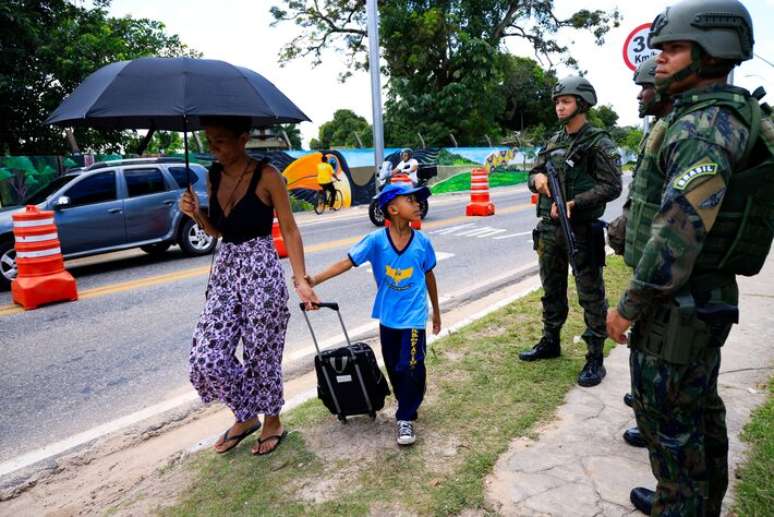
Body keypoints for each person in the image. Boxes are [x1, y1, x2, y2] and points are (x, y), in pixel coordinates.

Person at [605, 1, 769, 514]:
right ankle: (690, 498)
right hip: (698, 299)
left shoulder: (703, 129)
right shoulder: (715, 114)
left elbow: (678, 239)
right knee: (696, 413)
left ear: (711, 50)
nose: (662, 59)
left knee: (671, 424)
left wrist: (627, 306)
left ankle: (681, 504)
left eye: (674, 48)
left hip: (681, 303)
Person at [179, 116, 319, 456]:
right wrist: (196, 214)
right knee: (206, 356)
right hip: (226, 268)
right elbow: (217, 232)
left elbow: (290, 229)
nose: (212, 148)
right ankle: (245, 414)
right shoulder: (212, 176)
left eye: (220, 141)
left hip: (260, 268)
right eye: (209, 140)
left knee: (262, 351)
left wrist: (300, 279)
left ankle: (271, 420)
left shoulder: (267, 175)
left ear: (243, 139)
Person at [307, 183, 441, 446]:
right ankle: (412, 393)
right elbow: (346, 262)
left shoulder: (422, 242)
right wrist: (314, 280)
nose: (417, 204)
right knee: (394, 367)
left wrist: (436, 311)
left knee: (409, 365)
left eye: (417, 201)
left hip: (414, 317)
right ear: (393, 209)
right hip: (388, 317)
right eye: (410, 200)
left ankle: (405, 418)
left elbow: (429, 276)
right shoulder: (376, 241)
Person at [519, 76, 622, 388]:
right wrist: (536, 180)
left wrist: (575, 203)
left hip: (580, 229)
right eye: (557, 102)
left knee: (590, 295)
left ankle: (594, 356)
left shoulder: (598, 142)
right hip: (550, 230)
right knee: (551, 290)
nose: (559, 106)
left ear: (582, 103)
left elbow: (612, 185)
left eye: (565, 100)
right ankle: (550, 341)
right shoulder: (554, 141)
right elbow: (534, 171)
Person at [607, 54, 675, 451]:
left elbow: (674, 225)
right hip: (658, 271)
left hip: (670, 275)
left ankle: (679, 493)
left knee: (669, 366)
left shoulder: (679, 131)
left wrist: (629, 303)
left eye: (646, 86)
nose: (640, 94)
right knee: (654, 359)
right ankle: (652, 421)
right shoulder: (663, 129)